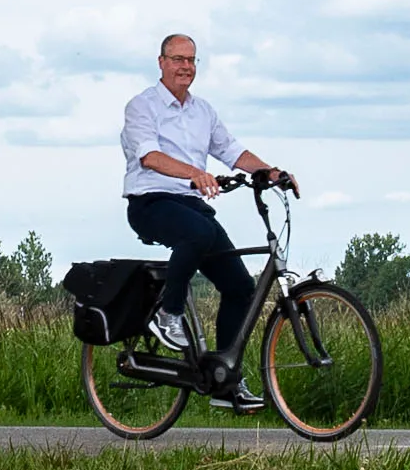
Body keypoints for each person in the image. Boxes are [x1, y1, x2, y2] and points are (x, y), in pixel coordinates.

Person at [121, 33, 296, 408]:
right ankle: (168, 315)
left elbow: (230, 150)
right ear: (161, 62)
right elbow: (149, 156)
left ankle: (225, 381)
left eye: (192, 60)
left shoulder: (203, 111)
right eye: (178, 59)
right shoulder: (142, 106)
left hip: (191, 207)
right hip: (150, 201)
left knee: (239, 287)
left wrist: (271, 170)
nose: (186, 66)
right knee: (198, 233)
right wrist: (194, 175)